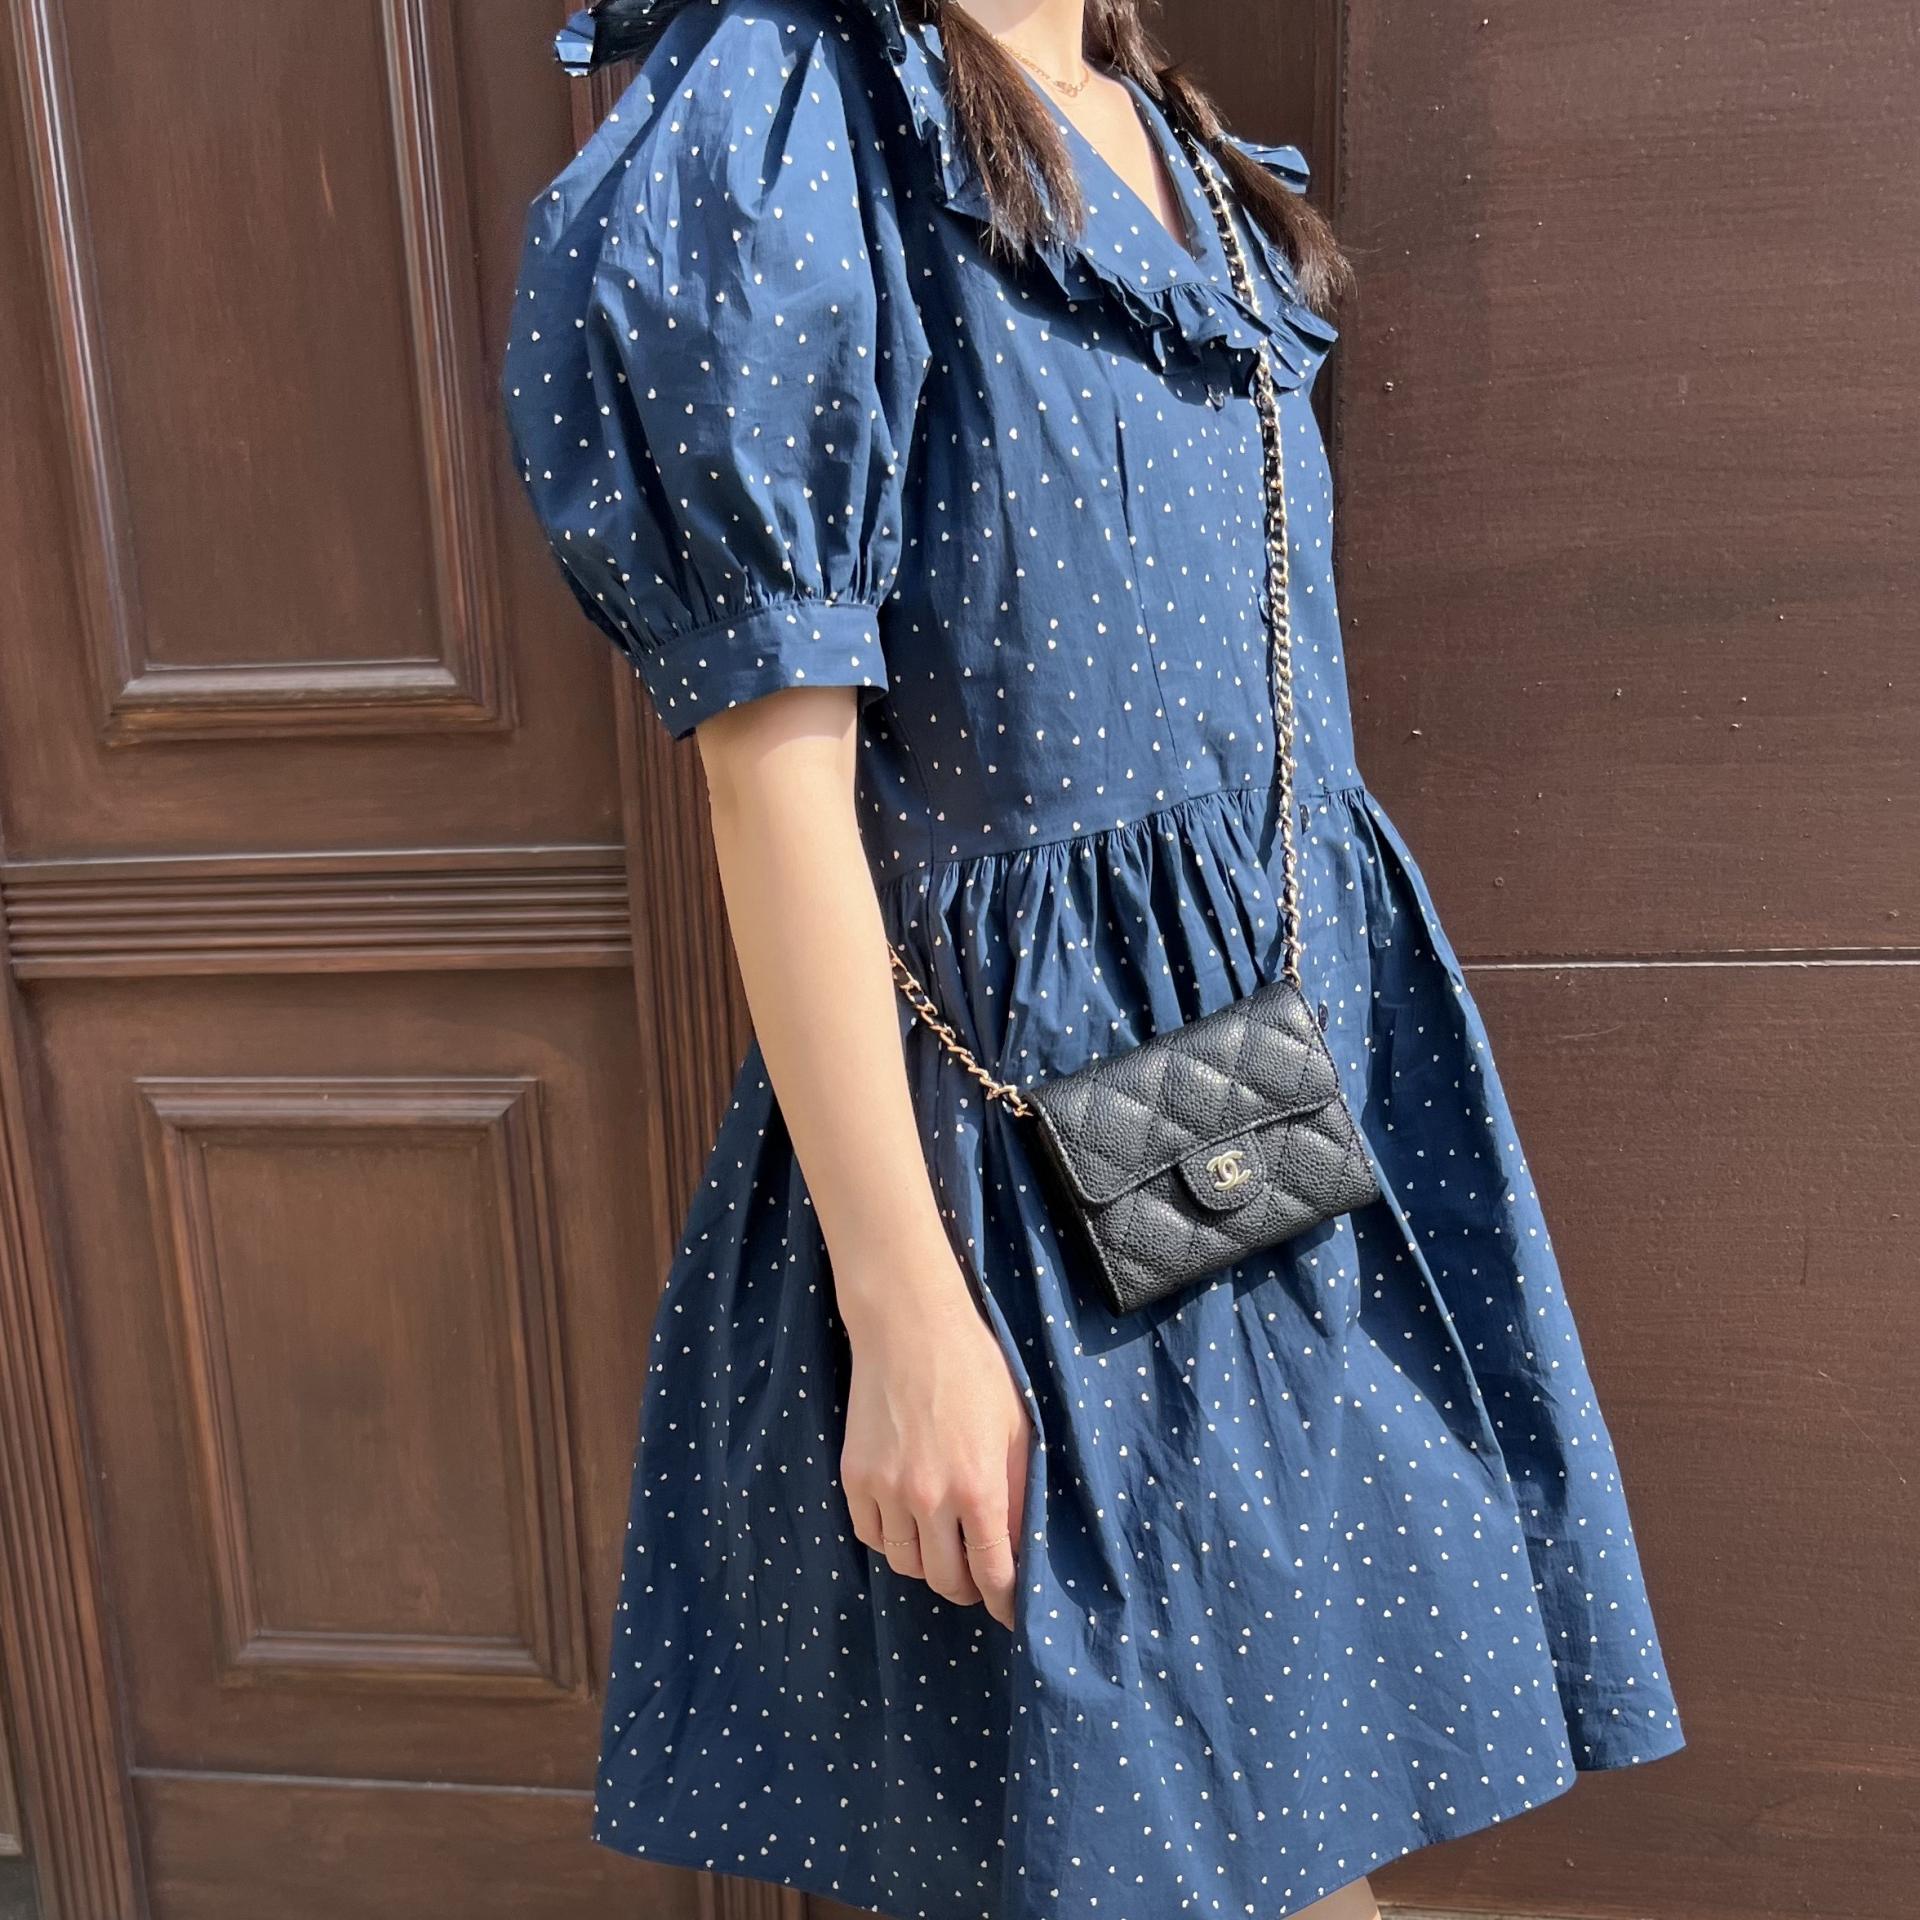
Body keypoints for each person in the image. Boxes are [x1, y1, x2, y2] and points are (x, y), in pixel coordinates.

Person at [500, 1, 1686, 1915]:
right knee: (1155, 1838)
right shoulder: (806, 118)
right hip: (1024, 1151)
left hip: (1271, 1089)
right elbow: (771, 777)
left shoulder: (1160, 130)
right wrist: (906, 1315)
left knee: (1293, 1813)